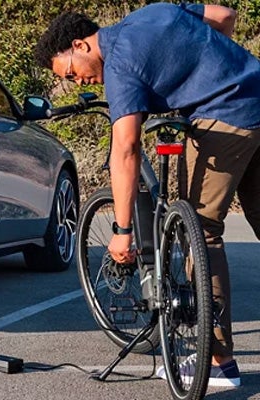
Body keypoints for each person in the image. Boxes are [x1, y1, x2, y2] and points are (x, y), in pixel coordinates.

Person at [34, 2, 260, 388]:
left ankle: (218, 363)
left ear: (80, 45)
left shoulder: (120, 65)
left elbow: (126, 149)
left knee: (199, 231)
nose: (79, 82)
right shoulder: (154, 12)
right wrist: (208, 67)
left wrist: (122, 232)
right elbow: (225, 16)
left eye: (71, 72)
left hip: (225, 119)